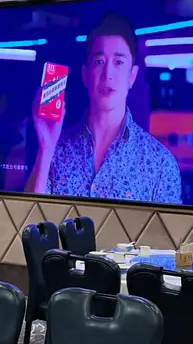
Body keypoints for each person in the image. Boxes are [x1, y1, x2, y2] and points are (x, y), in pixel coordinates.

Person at [24, 13, 182, 203]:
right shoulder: (55, 150)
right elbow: (31, 216)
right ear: (85, 75)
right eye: (99, 62)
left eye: (119, 62)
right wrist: (46, 147)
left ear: (132, 76)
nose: (108, 74)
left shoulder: (161, 164)